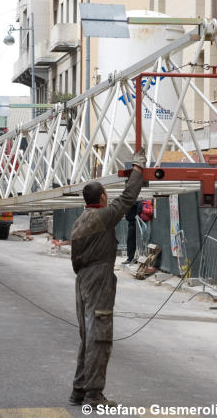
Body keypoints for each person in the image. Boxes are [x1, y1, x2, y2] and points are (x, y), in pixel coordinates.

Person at [69, 149, 146, 408]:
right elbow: (127, 199)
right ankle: (93, 393)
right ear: (102, 197)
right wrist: (137, 169)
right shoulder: (102, 217)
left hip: (82, 280)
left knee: (87, 336)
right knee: (99, 335)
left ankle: (79, 389)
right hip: (98, 278)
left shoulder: (80, 221)